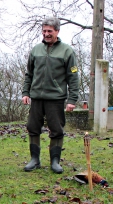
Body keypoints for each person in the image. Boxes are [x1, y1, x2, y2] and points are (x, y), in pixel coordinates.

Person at [21, 17, 79, 174]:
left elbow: (73, 77)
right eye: (44, 31)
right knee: (33, 127)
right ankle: (34, 160)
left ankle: (55, 161)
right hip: (37, 97)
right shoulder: (36, 50)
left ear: (57, 32)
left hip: (56, 98)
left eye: (49, 31)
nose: (46, 34)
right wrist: (26, 92)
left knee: (56, 129)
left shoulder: (67, 51)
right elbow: (29, 74)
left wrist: (72, 99)